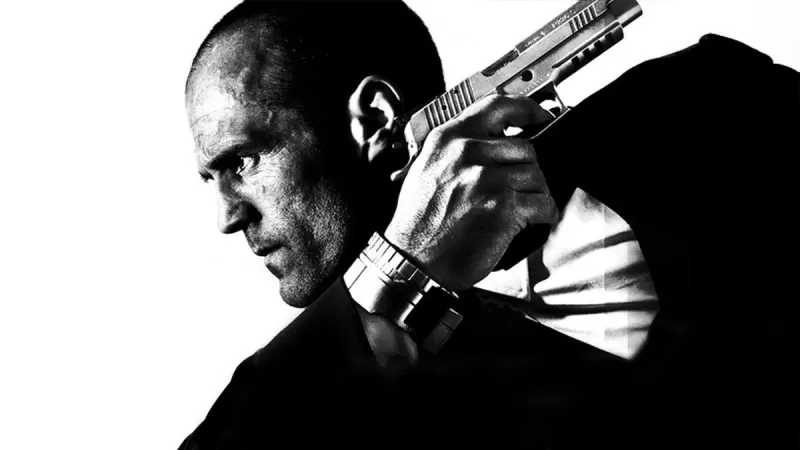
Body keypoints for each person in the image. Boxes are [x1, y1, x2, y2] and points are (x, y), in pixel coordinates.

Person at [179, 1, 798, 449]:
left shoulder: (712, 108)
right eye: (210, 180)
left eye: (242, 162)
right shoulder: (316, 401)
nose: (227, 217)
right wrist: (401, 274)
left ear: (376, 120)